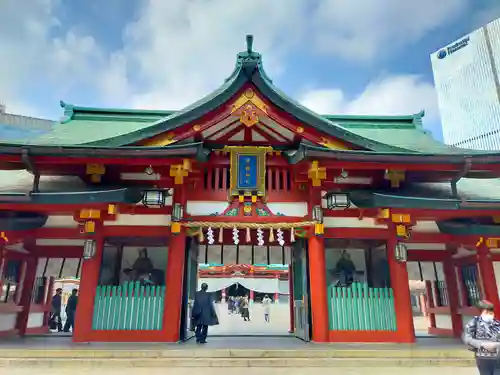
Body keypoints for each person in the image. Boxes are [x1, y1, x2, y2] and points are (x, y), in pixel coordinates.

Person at [463, 300, 500, 375]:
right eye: (486, 312)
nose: (489, 315)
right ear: (481, 312)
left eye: (491, 312)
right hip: (482, 358)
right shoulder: (474, 323)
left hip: (497, 358)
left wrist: (496, 345)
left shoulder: (497, 324)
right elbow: (467, 338)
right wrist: (482, 344)